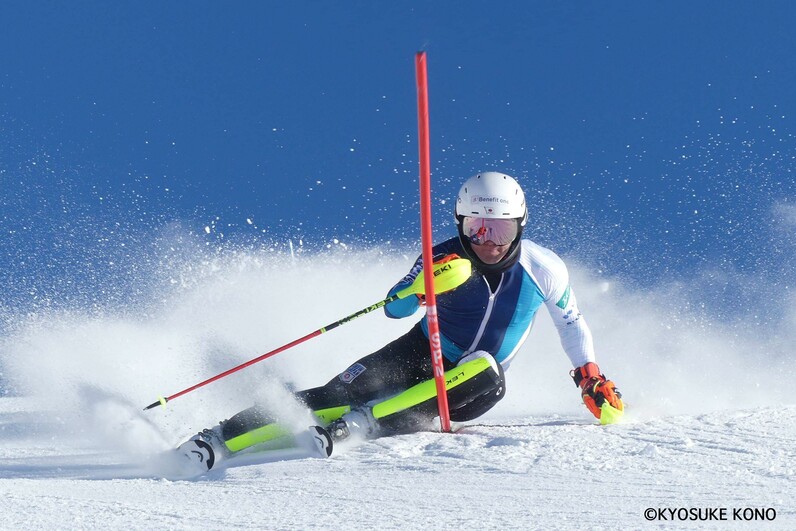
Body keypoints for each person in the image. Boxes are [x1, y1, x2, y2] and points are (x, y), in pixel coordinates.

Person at [178, 171, 624, 471]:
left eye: (501, 230)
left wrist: (590, 376)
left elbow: (570, 321)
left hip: (469, 385)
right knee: (332, 394)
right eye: (477, 229)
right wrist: (420, 290)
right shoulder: (441, 255)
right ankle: (216, 439)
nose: (488, 242)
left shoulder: (544, 268)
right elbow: (394, 308)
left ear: (521, 225)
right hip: (421, 349)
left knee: (487, 365)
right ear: (461, 224)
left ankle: (362, 423)